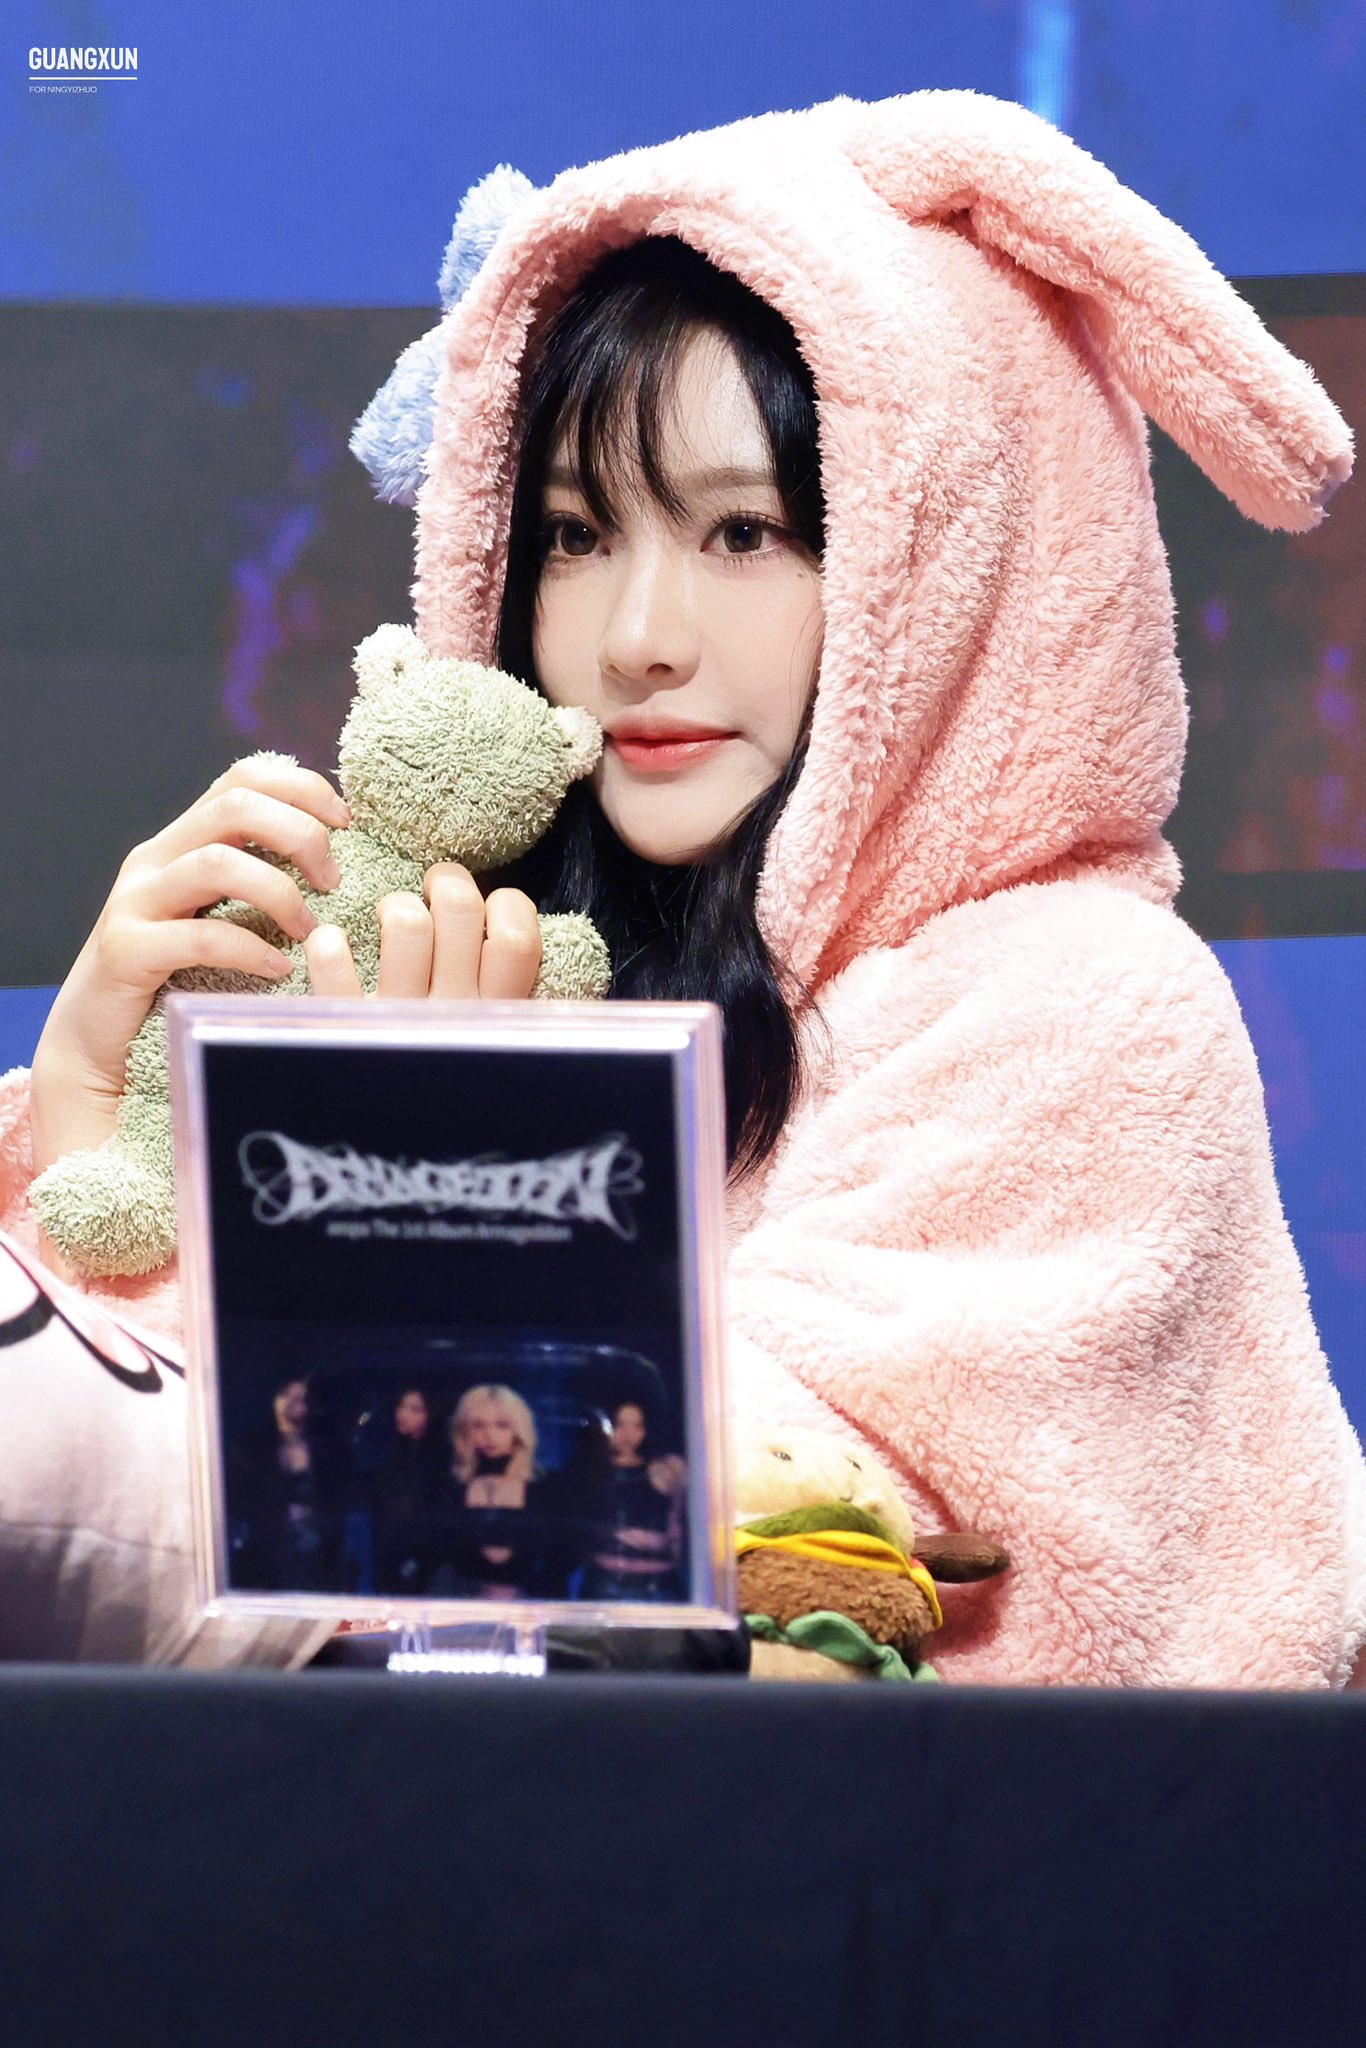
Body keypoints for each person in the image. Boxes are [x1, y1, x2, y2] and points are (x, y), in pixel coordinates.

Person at [7, 89, 1366, 1685]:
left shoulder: (1082, 1013)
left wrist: (432, 1190)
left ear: (957, 555)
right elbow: (152, 1548)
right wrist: (93, 1104)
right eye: (575, 534)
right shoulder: (508, 952)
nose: (639, 636)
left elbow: (799, 1556)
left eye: (741, 534)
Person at [430, 1383, 559, 1601]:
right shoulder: (450, 1486)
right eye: (478, 1425)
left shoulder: (547, 1486)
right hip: (460, 1604)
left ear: (519, 1430)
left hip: (530, 1607)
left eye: (502, 1425)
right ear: (464, 1431)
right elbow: (438, 1552)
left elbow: (559, 1556)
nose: (489, 1435)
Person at [228, 1377, 349, 1594]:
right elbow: (239, 1502)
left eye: (300, 1398)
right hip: (266, 1559)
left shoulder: (327, 1451)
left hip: (316, 1560)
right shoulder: (250, 1449)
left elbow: (339, 1501)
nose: (291, 1403)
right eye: (286, 1394)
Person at [579, 1401, 687, 1605]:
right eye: (620, 1425)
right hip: (605, 1584)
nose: (629, 1434)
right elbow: (577, 1526)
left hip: (659, 1585)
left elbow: (678, 1524)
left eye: (637, 1425)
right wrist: (615, 1533)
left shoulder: (666, 1468)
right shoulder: (588, 1471)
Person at [370, 1386, 447, 1595]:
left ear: (431, 1414)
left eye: (415, 1409)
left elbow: (435, 1520)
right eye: (401, 1406)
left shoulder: (439, 1460)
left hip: (424, 1563)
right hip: (388, 1556)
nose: (403, 1414)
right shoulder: (392, 1451)